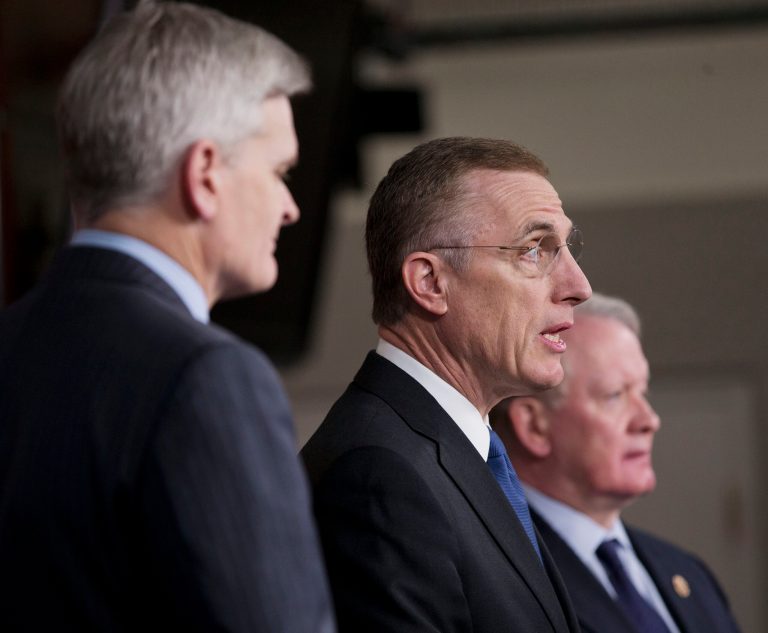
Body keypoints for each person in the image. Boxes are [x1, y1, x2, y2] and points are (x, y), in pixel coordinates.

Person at [0, 2, 335, 631]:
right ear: (205, 174)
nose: (290, 207)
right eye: (279, 171)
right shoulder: (207, 377)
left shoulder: (10, 346)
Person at [301, 136, 592, 632]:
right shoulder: (378, 475)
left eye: (566, 247)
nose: (578, 286)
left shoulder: (457, 452)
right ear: (431, 283)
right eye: (533, 250)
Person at [491, 292, 741, 633]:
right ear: (534, 426)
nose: (649, 420)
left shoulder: (689, 573)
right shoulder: (497, 573)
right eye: (615, 396)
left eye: (644, 392)